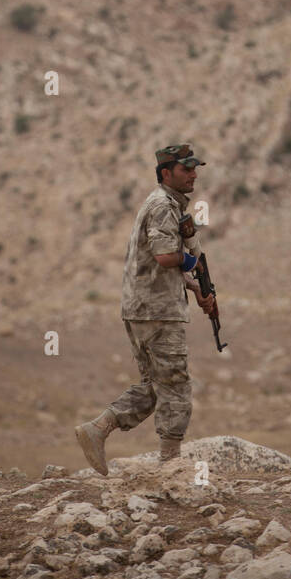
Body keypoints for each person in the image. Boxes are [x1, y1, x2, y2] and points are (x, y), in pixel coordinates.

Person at [74, 143, 216, 475]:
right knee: (176, 384)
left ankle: (98, 429)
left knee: (156, 385)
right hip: (157, 311)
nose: (193, 175)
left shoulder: (170, 206)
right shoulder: (162, 206)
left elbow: (163, 263)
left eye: (195, 169)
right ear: (166, 173)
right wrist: (192, 261)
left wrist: (194, 286)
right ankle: (170, 463)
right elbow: (166, 256)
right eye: (186, 169)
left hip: (145, 307)